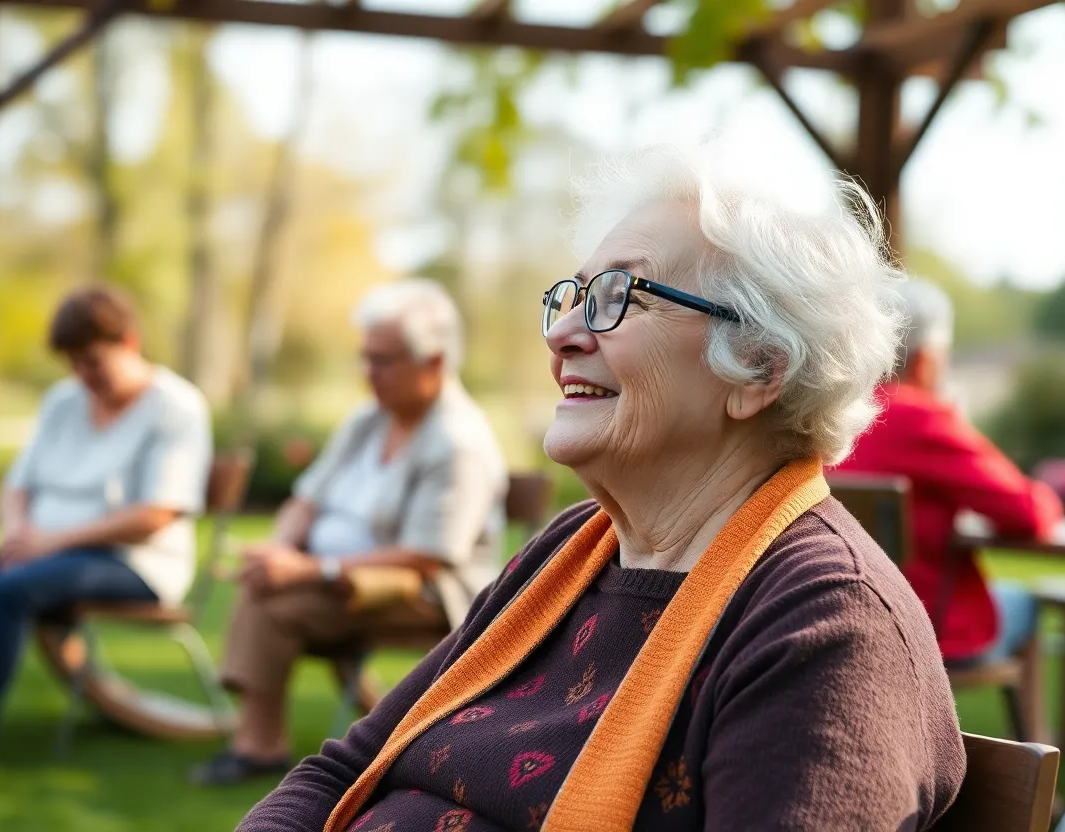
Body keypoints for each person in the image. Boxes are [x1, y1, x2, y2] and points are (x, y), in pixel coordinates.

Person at [235, 146, 965, 832]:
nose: (564, 335)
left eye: (619, 297)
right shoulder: (570, 549)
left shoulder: (826, 626)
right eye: (572, 296)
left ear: (761, 368)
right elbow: (349, 767)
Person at [0, 286, 212, 775]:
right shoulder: (64, 401)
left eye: (93, 361)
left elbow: (157, 514)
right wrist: (17, 535)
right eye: (73, 364)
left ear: (130, 342)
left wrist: (48, 543)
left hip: (135, 564)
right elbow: (16, 487)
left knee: (12, 588)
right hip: (45, 552)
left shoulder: (177, 406)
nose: (84, 376)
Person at [192, 279, 507, 787]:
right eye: (365, 358)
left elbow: (428, 556)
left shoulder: (458, 441)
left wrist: (308, 569)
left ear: (434, 363)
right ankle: (259, 733)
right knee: (270, 582)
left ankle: (259, 745)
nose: (369, 374)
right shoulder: (367, 421)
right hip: (340, 577)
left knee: (277, 604)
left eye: (383, 361)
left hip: (425, 591)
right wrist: (280, 548)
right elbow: (306, 499)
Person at [835, 279, 1064, 664]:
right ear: (926, 360)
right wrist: (1051, 493)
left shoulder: (835, 413)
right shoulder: (920, 417)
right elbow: (1027, 514)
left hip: (843, 616)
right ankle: (1032, 728)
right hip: (926, 624)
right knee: (1024, 600)